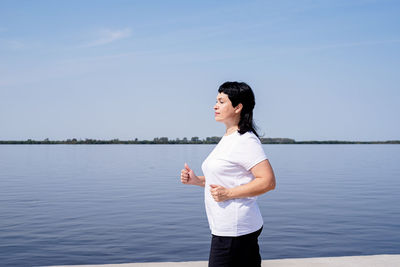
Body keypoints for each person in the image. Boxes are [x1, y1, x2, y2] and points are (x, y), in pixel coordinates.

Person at [180, 81, 276, 267]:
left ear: (238, 107)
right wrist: (197, 180)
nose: (215, 106)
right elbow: (227, 179)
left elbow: (268, 182)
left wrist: (228, 194)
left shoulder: (245, 140)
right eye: (216, 101)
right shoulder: (229, 138)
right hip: (228, 229)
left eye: (222, 101)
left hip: (235, 231)